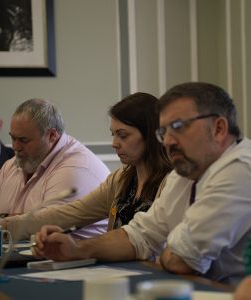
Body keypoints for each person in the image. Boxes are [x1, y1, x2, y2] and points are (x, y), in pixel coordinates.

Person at [32, 82, 251, 285]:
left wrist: (168, 252)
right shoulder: (185, 172)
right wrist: (75, 249)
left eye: (178, 127)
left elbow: (181, 260)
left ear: (219, 129)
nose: (167, 141)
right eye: (163, 131)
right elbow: (140, 236)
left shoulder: (240, 169)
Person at [0, 92, 172, 240]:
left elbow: (144, 240)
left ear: (151, 135)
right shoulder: (120, 180)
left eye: (123, 135)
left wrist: (79, 249)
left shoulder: (173, 181)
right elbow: (68, 214)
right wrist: (5, 225)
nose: (114, 144)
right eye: (113, 134)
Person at [0, 98, 110, 238]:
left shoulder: (75, 168)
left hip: (81, 261)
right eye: (13, 138)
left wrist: (2, 221)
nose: (16, 147)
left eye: (23, 140)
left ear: (51, 135)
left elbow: (47, 226)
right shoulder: (14, 164)